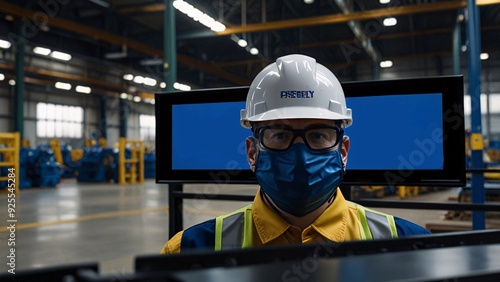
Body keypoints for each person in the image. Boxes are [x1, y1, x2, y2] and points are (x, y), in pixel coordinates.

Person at [161, 54, 430, 254]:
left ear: (343, 151)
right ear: (252, 152)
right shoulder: (187, 250)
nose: (300, 154)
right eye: (279, 135)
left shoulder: (412, 245)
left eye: (318, 135)